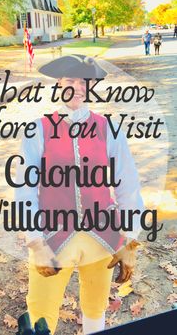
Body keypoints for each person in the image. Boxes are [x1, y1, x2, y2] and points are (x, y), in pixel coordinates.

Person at [15, 55, 144, 334]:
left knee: (96, 307)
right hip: (53, 238)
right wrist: (36, 244)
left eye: (83, 82)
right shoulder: (38, 130)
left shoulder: (108, 129)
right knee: (41, 312)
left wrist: (130, 243)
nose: (78, 87)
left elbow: (128, 185)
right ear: (59, 84)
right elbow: (25, 189)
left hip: (103, 236)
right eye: (70, 80)